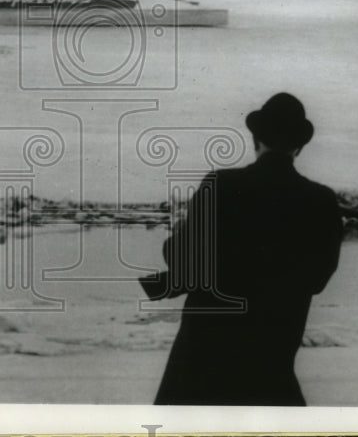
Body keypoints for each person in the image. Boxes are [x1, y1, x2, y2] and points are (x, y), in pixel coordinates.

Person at [143, 93, 343, 405]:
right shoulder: (322, 201)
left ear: (256, 138)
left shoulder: (220, 184)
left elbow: (182, 260)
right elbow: (317, 279)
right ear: (299, 146)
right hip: (271, 359)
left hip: (202, 361)